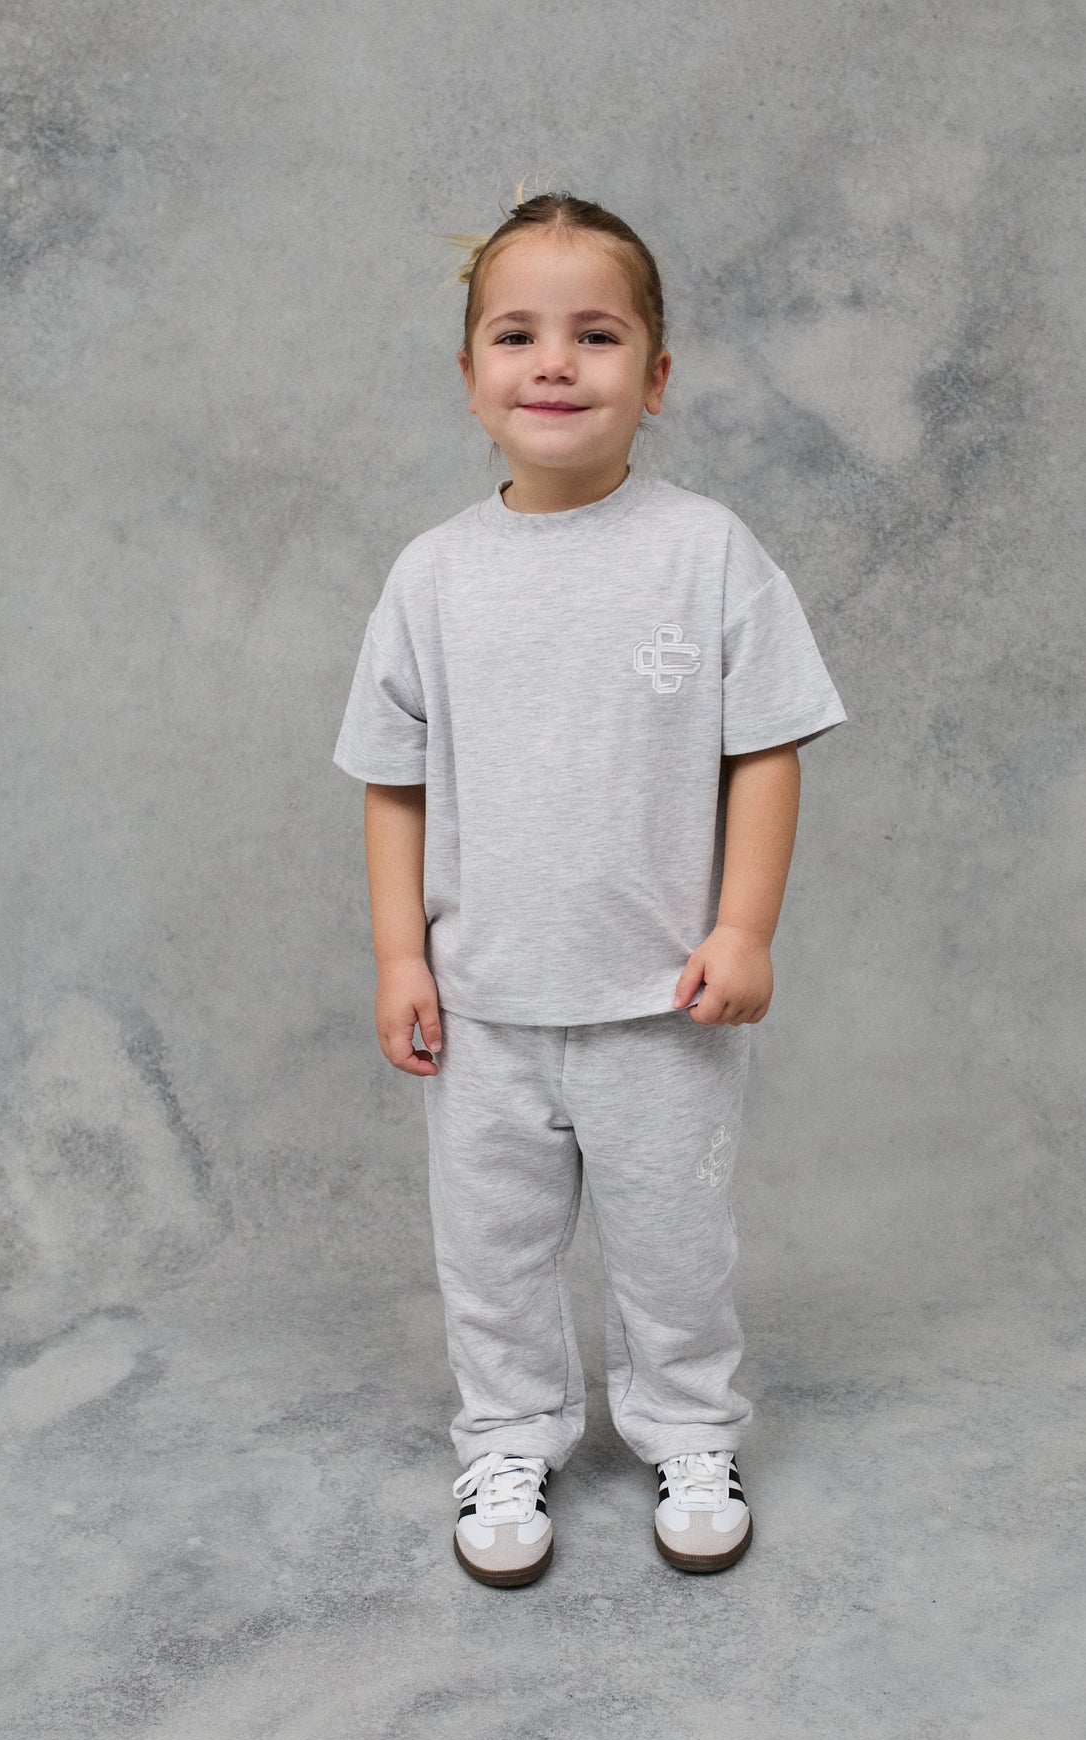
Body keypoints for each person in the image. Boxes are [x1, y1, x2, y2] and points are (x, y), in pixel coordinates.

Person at [332, 185, 848, 1589]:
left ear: (656, 377)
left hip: (661, 1004)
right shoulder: (433, 577)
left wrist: (744, 926)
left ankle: (692, 1431)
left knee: (676, 1248)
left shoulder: (708, 553)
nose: (554, 363)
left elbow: (766, 748)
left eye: (596, 335)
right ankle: (506, 1437)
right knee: (491, 1255)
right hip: (485, 1006)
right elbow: (393, 779)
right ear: (470, 378)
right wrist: (401, 956)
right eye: (517, 335)